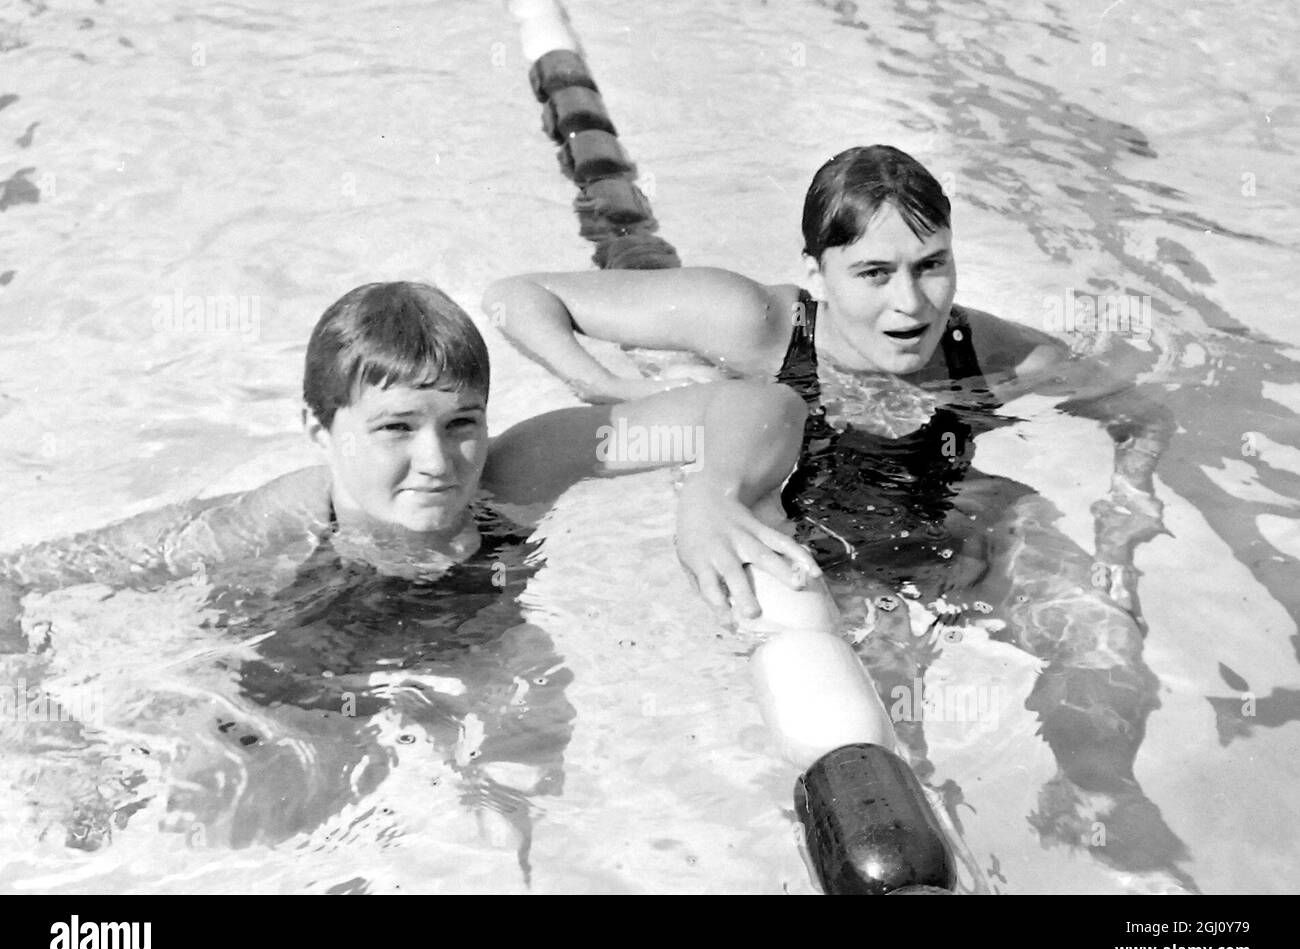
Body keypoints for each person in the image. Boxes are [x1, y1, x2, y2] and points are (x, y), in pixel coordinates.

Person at [486, 146, 1195, 888]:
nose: (911, 304)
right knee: (888, 760)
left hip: (951, 530)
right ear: (817, 272)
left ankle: (1102, 800)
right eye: (874, 273)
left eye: (931, 264)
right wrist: (601, 384)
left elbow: (1136, 412)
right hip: (827, 565)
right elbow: (517, 294)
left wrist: (1127, 514)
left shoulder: (990, 350)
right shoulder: (757, 323)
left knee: (1103, 638)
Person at [0, 280, 815, 861]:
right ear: (319, 429)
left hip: (454, 683)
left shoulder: (517, 473)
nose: (439, 461)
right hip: (276, 715)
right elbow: (13, 578)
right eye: (397, 427)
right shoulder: (262, 525)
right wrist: (54, 745)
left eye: (462, 423)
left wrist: (713, 489)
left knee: (522, 779)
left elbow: (766, 404)